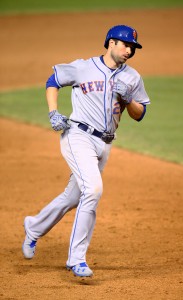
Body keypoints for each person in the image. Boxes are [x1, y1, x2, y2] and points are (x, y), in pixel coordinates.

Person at [22, 25, 150, 278]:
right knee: (93, 190)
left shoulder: (132, 77)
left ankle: (33, 227)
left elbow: (140, 114)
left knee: (73, 197)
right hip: (78, 136)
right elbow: (53, 81)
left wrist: (128, 100)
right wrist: (52, 112)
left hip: (105, 144)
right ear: (111, 43)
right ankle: (77, 259)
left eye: (133, 47)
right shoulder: (83, 67)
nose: (129, 50)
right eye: (125, 45)